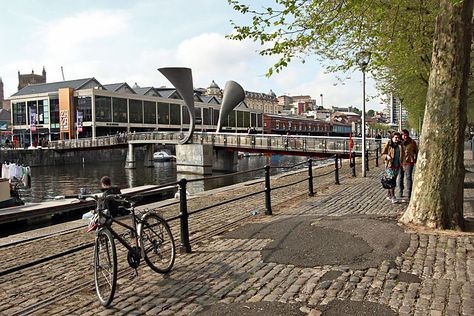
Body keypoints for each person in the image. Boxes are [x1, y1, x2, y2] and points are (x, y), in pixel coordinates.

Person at [381, 132, 405, 204]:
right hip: (390, 165)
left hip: (397, 165)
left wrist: (403, 164)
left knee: (393, 179)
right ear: (392, 138)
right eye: (395, 138)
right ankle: (393, 196)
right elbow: (382, 154)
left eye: (398, 138)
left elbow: (403, 155)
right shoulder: (388, 144)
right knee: (392, 181)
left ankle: (389, 195)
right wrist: (387, 156)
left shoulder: (400, 145)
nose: (397, 139)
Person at [399, 129, 418, 200]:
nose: (405, 136)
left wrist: (415, 159)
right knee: (400, 177)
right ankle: (401, 190)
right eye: (403, 135)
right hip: (400, 162)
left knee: (408, 177)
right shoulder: (399, 142)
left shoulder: (412, 142)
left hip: (409, 161)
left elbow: (416, 151)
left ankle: (409, 192)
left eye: (406, 135)